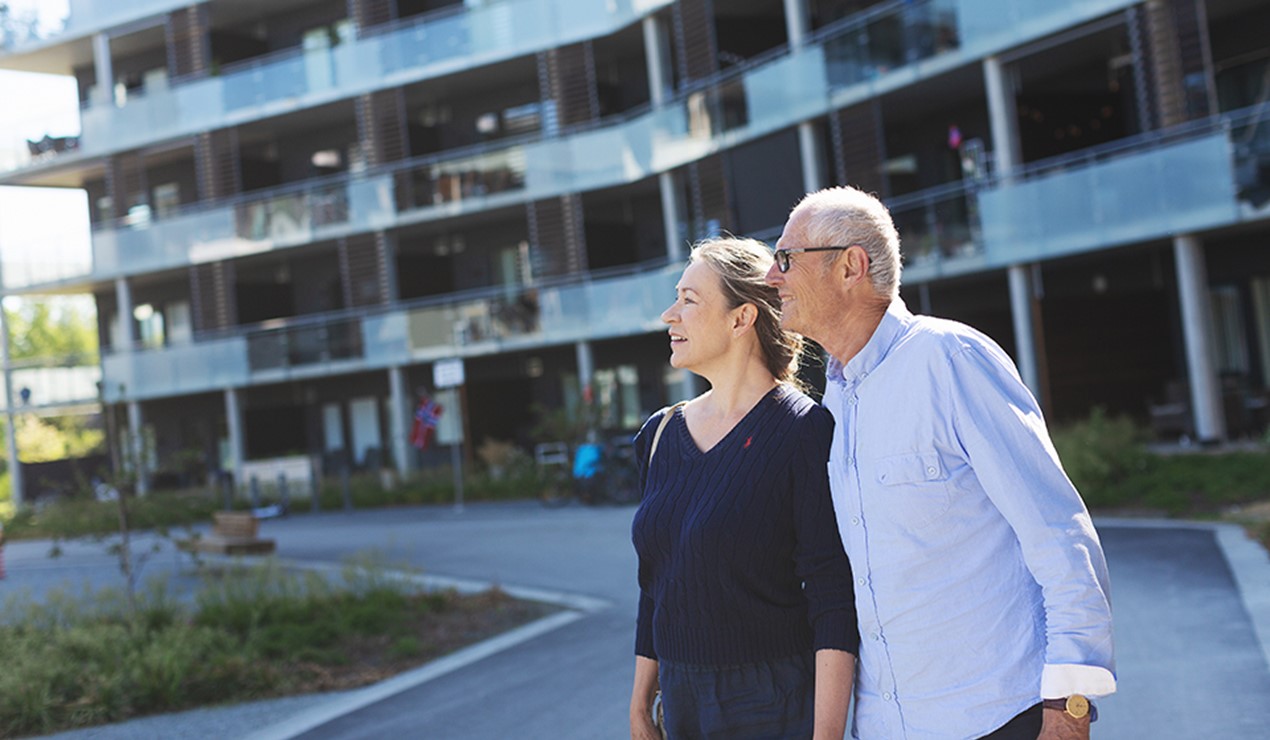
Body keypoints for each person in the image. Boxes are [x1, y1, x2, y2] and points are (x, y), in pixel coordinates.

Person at [765, 186, 1116, 740]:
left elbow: (1059, 534)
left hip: (1000, 716)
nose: (771, 277)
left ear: (851, 266)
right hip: (886, 726)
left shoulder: (951, 359)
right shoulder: (834, 400)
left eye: (786, 258)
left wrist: (1069, 706)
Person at [629, 237, 859, 740]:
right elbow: (656, 584)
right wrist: (640, 703)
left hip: (774, 703)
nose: (670, 315)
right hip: (679, 702)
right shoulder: (659, 435)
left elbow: (832, 597)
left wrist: (826, 736)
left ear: (741, 318)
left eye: (689, 300)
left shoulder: (805, 431)